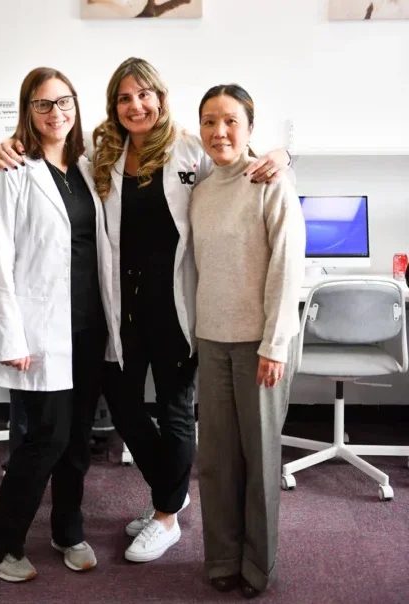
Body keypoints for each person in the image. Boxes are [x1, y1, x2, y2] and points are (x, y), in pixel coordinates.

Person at [0, 57, 292, 564]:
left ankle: (167, 517)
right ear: (113, 105)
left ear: (160, 96)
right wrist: (6, 144)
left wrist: (287, 154)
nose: (136, 105)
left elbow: (240, 157)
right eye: (124, 97)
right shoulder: (100, 153)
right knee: (126, 410)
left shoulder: (190, 150)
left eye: (144, 95)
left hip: (174, 305)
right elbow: (50, 157)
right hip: (120, 308)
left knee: (175, 412)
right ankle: (173, 494)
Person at [0, 67, 112, 582]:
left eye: (64, 101)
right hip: (39, 331)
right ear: (28, 111)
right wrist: (12, 335)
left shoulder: (85, 165)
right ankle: (0, 541)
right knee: (46, 439)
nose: (57, 112)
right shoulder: (14, 170)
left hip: (86, 328)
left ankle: (68, 529)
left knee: (78, 438)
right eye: (43, 104)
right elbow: (0, 259)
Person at [190, 84, 305, 598]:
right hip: (211, 340)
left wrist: (275, 344)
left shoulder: (271, 180)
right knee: (216, 460)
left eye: (231, 121)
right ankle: (221, 559)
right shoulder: (199, 187)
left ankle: (258, 567)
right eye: (210, 121)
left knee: (259, 461)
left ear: (250, 127)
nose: (219, 132)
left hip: (261, 344)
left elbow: (287, 266)